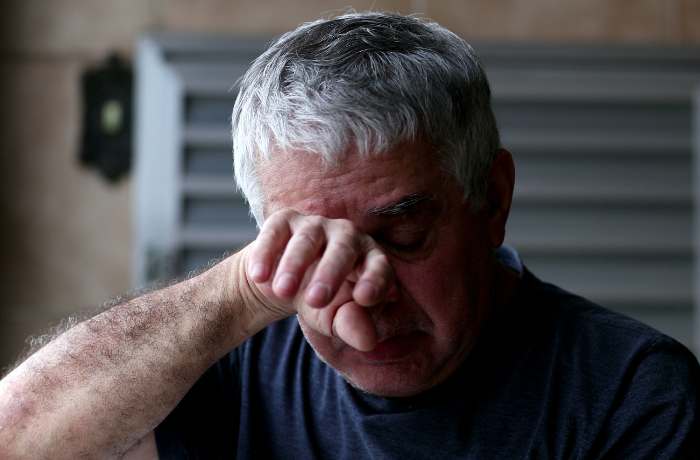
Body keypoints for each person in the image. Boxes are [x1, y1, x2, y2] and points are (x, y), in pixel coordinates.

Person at [1, 11, 698, 459]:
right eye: (314, 245)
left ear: (492, 200)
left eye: (403, 235)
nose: (362, 307)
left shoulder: (631, 393)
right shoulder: (234, 367)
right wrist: (241, 292)